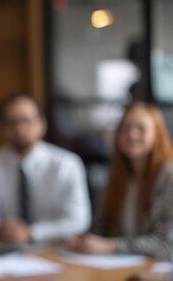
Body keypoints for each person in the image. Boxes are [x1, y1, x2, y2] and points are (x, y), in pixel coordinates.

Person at [0, 93, 91, 244]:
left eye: (26, 121)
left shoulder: (67, 164)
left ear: (42, 124)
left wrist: (32, 233)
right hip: (2, 247)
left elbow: (78, 220)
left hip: (54, 249)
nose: (19, 128)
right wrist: (0, 227)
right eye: (11, 122)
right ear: (1, 127)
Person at [68, 102, 173, 259]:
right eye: (125, 128)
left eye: (140, 128)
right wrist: (85, 241)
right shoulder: (117, 177)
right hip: (117, 266)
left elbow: (167, 244)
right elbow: (100, 230)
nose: (131, 134)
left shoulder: (167, 176)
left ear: (157, 134)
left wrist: (110, 246)